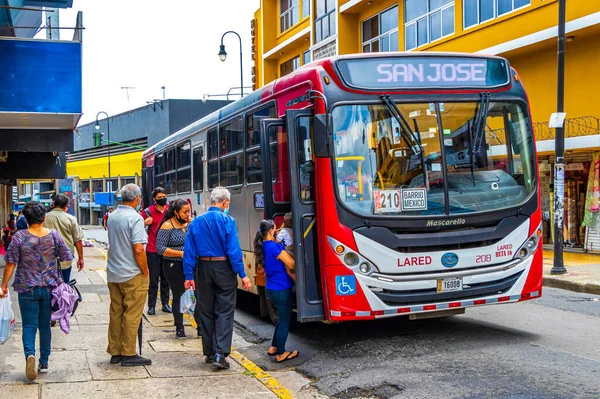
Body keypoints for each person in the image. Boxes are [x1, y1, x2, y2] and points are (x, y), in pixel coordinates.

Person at [0, 201, 73, 380]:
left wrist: (3, 286)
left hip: (26, 288)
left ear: (26, 218)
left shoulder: (19, 237)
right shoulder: (54, 235)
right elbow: (66, 257)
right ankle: (45, 362)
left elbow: (11, 263)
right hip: (49, 288)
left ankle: (30, 355)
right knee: (44, 325)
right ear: (44, 218)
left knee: (29, 325)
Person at [183, 186, 251, 370]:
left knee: (205, 310)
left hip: (203, 267)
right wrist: (243, 274)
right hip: (224, 268)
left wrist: (189, 275)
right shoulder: (228, 221)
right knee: (225, 310)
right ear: (225, 202)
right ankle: (220, 353)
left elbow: (189, 250)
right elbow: (234, 250)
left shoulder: (196, 222)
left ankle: (209, 352)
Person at [105, 184, 152, 367]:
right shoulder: (136, 218)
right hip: (132, 273)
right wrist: (145, 270)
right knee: (132, 313)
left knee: (116, 312)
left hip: (114, 272)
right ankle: (129, 352)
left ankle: (115, 351)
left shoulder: (112, 216)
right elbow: (139, 249)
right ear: (138, 198)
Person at [253, 219, 299, 363]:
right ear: (272, 231)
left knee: (280, 318)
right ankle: (281, 353)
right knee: (285, 321)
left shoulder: (263, 247)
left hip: (271, 288)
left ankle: (273, 347)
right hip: (282, 288)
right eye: (275, 228)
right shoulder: (275, 247)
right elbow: (291, 264)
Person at [156, 199, 201, 339]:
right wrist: (181, 253)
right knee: (179, 295)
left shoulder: (189, 224)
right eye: (184, 212)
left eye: (189, 211)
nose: (187, 214)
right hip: (173, 265)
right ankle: (179, 327)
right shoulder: (167, 225)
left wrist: (194, 224)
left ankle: (200, 325)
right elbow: (160, 248)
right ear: (176, 212)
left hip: (191, 264)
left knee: (197, 295)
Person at [142, 187, 172, 316]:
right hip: (153, 249)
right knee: (153, 280)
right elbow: (137, 226)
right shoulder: (148, 212)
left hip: (167, 250)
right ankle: (151, 305)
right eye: (159, 197)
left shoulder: (170, 210)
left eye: (164, 196)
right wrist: (145, 222)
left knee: (166, 278)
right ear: (154, 199)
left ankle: (165, 303)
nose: (162, 199)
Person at [44, 194, 85, 284]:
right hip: (65, 260)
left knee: (48, 286)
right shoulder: (71, 219)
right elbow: (77, 240)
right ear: (66, 206)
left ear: (53, 204)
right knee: (64, 285)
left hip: (46, 259)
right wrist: (81, 258)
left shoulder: (44, 218)